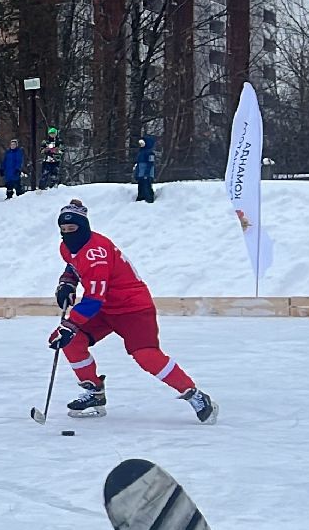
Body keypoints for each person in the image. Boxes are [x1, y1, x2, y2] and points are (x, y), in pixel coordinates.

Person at [50, 199, 214, 421]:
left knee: (146, 355)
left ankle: (194, 394)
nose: (68, 234)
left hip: (132, 307)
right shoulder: (67, 247)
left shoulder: (96, 253)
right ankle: (94, 391)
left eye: (73, 229)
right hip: (105, 307)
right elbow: (73, 266)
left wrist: (70, 324)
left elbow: (94, 298)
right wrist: (67, 282)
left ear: (85, 227)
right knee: (72, 341)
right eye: (64, 230)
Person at [134, 135, 158, 203]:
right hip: (141, 175)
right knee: (141, 187)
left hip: (147, 175)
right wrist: (137, 174)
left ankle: (149, 200)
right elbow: (138, 164)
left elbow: (150, 164)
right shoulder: (140, 152)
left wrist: (146, 174)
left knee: (147, 187)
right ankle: (140, 200)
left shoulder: (150, 153)